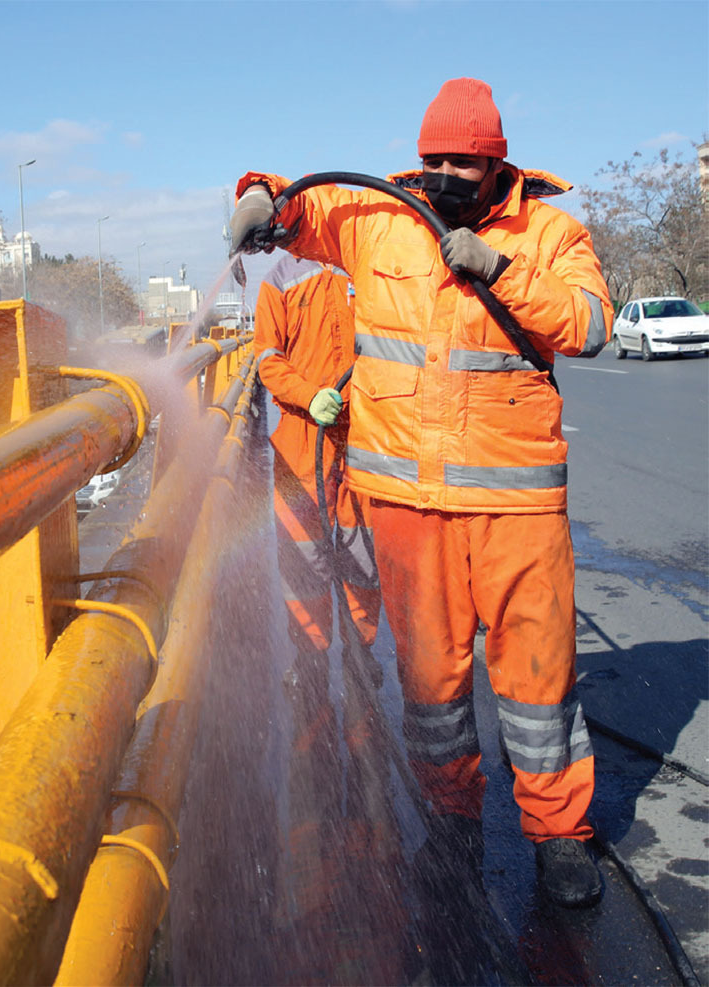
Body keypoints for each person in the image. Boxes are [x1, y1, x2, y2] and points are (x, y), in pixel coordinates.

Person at [230, 77, 612, 908]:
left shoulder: (549, 232)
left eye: (462, 162)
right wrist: (257, 193)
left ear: (497, 162)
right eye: (431, 158)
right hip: (407, 506)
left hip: (516, 509)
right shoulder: (380, 221)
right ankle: (451, 820)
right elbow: (299, 211)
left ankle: (558, 836)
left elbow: (587, 323)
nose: (443, 174)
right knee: (432, 688)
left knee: (538, 684)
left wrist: (500, 268)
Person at [255, 258, 380, 665]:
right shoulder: (278, 281)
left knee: (362, 549)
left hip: (365, 433)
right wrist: (308, 395)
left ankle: (360, 652)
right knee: (303, 552)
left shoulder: (362, 263)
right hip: (302, 437)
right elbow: (267, 360)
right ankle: (310, 657)